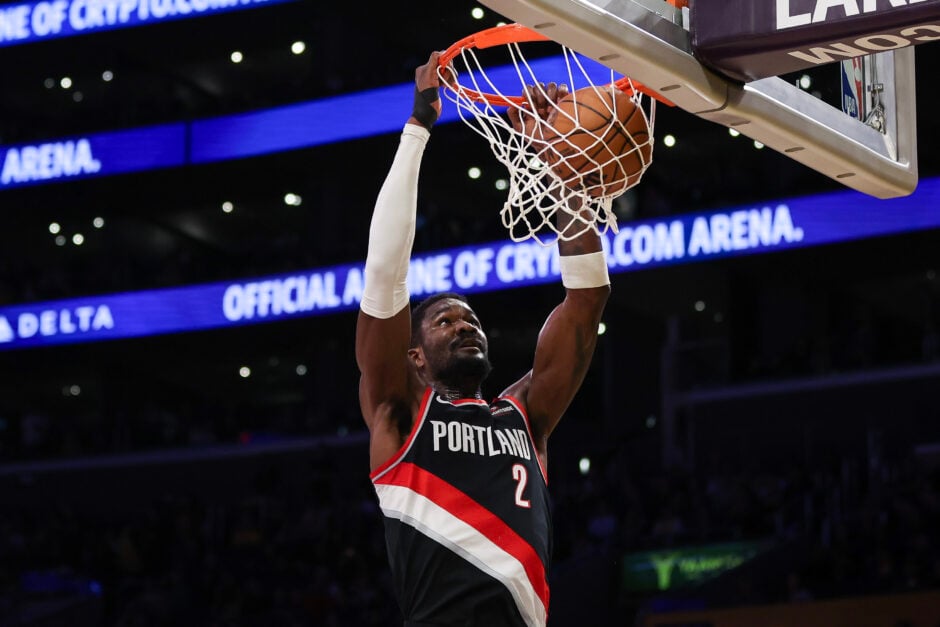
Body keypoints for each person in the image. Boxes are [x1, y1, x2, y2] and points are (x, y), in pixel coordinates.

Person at [356, 51, 610, 627]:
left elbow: (587, 299)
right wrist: (418, 128)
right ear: (413, 356)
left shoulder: (524, 415)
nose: (465, 324)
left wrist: (565, 169)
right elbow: (384, 275)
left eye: (470, 318)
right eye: (445, 321)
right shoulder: (400, 412)